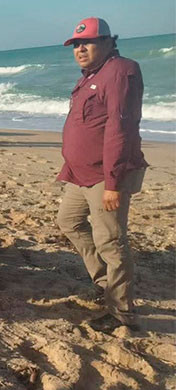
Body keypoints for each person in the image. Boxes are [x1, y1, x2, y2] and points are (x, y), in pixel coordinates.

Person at [56, 17, 147, 333]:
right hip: (81, 174)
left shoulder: (121, 72)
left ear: (108, 42)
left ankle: (121, 312)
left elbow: (120, 130)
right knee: (69, 221)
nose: (80, 49)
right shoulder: (91, 75)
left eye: (88, 42)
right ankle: (105, 283)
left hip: (105, 176)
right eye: (76, 44)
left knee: (111, 241)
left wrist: (113, 183)